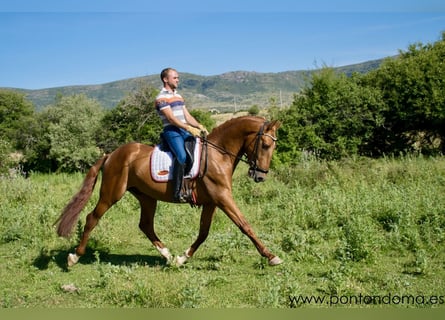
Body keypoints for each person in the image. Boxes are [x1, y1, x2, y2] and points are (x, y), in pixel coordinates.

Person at [155, 67, 208, 203]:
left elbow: (187, 116)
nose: (178, 80)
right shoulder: (161, 98)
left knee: (199, 151)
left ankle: (192, 185)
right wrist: (188, 128)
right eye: (175, 77)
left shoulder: (178, 96)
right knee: (182, 156)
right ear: (165, 79)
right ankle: (177, 191)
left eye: (178, 77)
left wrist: (199, 126)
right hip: (172, 131)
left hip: (184, 130)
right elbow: (171, 119)